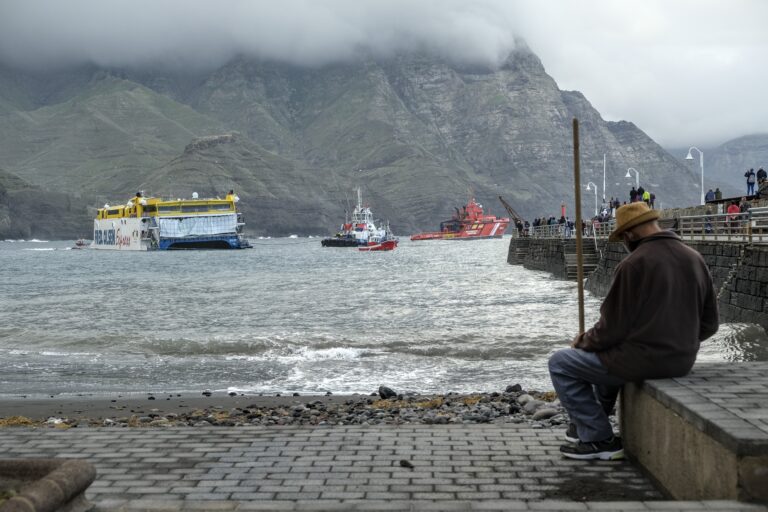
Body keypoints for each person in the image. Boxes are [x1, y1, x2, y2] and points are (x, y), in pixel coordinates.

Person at [548, 202, 719, 460]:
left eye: (623, 238)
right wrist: (680, 342)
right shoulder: (694, 258)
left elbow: (612, 329)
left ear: (628, 234)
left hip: (643, 361)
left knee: (561, 363)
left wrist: (582, 342)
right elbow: (710, 324)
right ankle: (582, 428)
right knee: (608, 359)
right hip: (682, 360)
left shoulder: (634, 264)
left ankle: (598, 439)